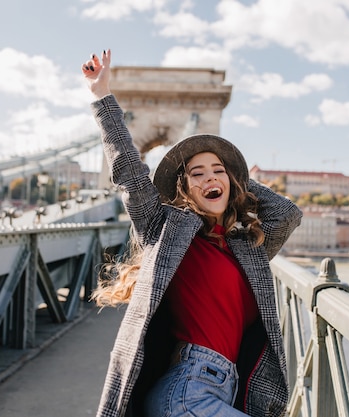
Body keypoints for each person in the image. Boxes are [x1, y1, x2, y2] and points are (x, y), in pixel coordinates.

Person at [82, 49, 302, 417]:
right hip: (188, 390)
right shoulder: (165, 231)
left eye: (218, 170)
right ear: (184, 188)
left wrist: (236, 174)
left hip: (226, 388)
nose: (210, 177)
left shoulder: (245, 249)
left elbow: (286, 214)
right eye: (197, 173)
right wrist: (102, 98)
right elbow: (130, 174)